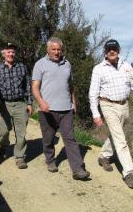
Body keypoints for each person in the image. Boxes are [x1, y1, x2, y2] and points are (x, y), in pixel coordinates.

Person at [89, 39, 133, 189]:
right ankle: (129, 173)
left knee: (116, 134)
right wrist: (95, 113)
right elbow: (93, 93)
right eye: (109, 49)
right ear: (105, 51)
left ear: (119, 50)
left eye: (114, 48)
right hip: (107, 105)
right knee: (120, 139)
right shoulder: (99, 69)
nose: (112, 51)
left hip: (124, 106)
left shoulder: (127, 66)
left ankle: (104, 156)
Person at [32, 37, 90, 180]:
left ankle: (78, 169)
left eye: (59, 49)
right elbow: (34, 87)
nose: (57, 52)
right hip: (48, 110)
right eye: (54, 49)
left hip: (66, 109)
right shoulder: (40, 64)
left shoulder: (67, 64)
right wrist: (41, 102)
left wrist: (74, 103)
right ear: (48, 50)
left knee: (70, 138)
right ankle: (50, 160)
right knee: (48, 138)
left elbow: (70, 86)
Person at [0, 43, 33, 169]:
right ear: (3, 53)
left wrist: (30, 102)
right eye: (8, 52)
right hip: (3, 104)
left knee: (21, 132)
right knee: (3, 131)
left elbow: (28, 86)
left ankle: (20, 157)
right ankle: (3, 147)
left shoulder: (22, 67)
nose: (11, 54)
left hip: (20, 104)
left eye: (13, 52)